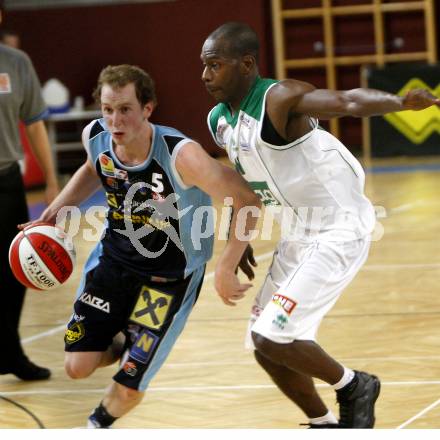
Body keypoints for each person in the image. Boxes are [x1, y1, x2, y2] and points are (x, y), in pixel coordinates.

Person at [201, 21, 440, 429]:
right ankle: (326, 423)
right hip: (298, 235)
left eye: (215, 65)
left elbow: (347, 101)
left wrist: (400, 102)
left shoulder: (279, 98)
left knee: (270, 336)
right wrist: (235, 245)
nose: (205, 76)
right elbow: (246, 191)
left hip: (337, 230)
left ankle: (354, 385)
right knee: (265, 347)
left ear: (245, 64)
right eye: (204, 66)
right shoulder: (220, 121)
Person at [23, 64, 261, 428]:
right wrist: (52, 214)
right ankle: (122, 337)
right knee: (77, 367)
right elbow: (92, 168)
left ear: (148, 108)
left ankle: (95, 425)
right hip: (113, 263)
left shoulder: (182, 156)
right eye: (107, 109)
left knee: (129, 386)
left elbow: (247, 199)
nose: (114, 120)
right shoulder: (97, 136)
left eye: (125, 109)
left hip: (167, 280)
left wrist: (226, 263)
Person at [0, 0, 59, 381]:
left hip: (7, 182)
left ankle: (9, 353)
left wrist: (54, 182)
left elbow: (35, 125)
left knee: (14, 272)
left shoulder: (16, 63)